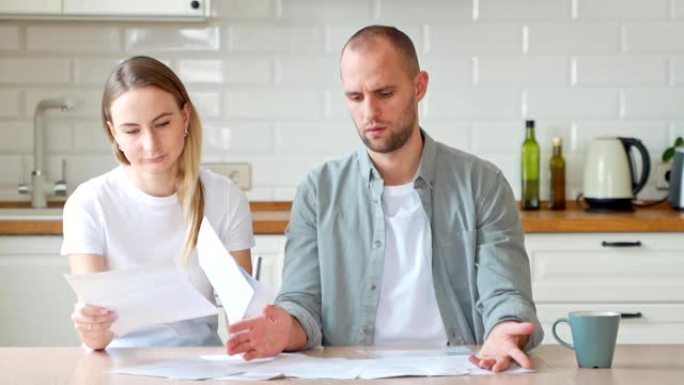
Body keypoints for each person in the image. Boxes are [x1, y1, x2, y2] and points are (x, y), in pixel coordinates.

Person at [227, 25, 543, 372]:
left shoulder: (482, 184)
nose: (369, 113)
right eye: (355, 97)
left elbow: (505, 296)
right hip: (353, 375)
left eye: (385, 93)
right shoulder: (319, 191)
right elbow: (303, 305)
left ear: (419, 86)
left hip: (459, 372)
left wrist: (503, 332)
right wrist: (284, 330)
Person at [62, 56, 255, 350]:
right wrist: (91, 327)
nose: (151, 144)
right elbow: (97, 338)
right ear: (114, 133)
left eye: (162, 124)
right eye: (132, 131)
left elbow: (242, 318)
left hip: (200, 363)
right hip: (118, 364)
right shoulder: (89, 203)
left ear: (185, 117)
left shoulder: (225, 196)